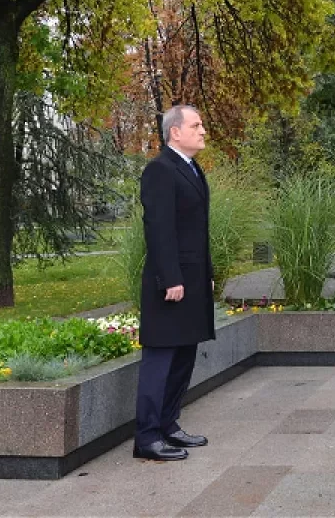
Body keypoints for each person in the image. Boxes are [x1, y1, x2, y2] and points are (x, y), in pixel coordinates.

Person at [133, 104, 214, 461]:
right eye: (195, 125)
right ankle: (147, 437)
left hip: (192, 280)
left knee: (184, 355)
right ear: (175, 132)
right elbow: (159, 228)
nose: (202, 131)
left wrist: (206, 276)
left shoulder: (191, 169)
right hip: (171, 283)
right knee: (161, 357)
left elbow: (198, 232)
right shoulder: (159, 170)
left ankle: (168, 425)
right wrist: (171, 278)